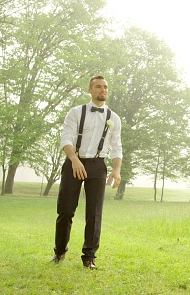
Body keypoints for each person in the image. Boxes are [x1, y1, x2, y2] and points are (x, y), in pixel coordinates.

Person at [51, 75, 122, 268]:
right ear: (90, 90)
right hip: (74, 162)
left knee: (94, 213)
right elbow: (66, 138)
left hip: (98, 165)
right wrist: (74, 159)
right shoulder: (75, 112)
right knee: (65, 210)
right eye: (98, 87)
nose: (103, 90)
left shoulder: (113, 118)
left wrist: (116, 170)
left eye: (105, 87)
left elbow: (116, 147)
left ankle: (89, 257)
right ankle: (59, 252)